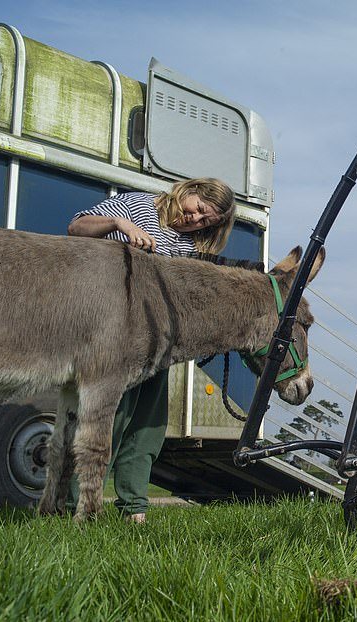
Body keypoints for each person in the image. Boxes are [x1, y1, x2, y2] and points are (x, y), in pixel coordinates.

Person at [66, 177, 236, 522]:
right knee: (110, 419)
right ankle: (79, 506)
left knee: (148, 428)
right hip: (113, 337)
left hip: (158, 346)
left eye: (206, 221)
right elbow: (76, 227)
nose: (196, 220)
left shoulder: (189, 249)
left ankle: (134, 509)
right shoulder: (138, 206)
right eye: (200, 209)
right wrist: (119, 224)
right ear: (190, 191)